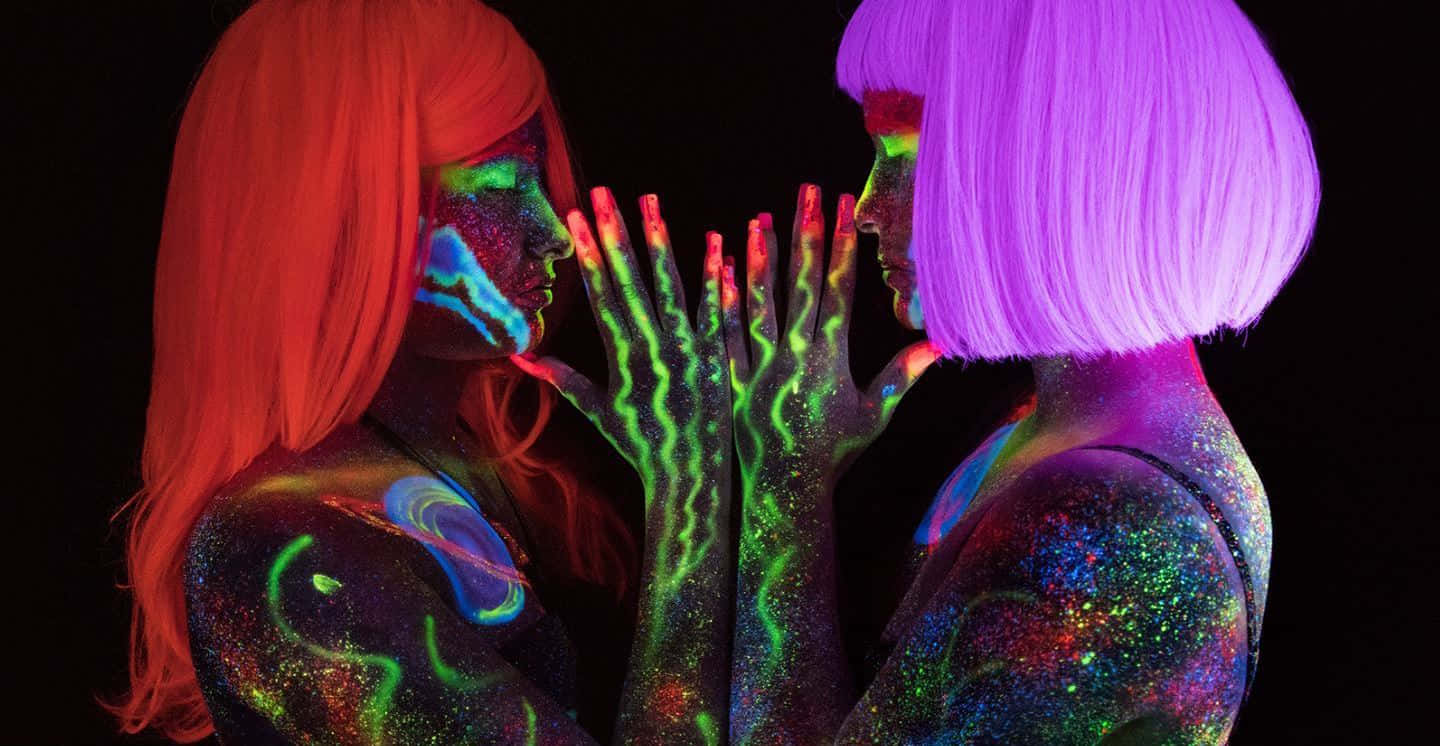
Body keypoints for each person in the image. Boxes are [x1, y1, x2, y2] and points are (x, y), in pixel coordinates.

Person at [105, 1, 730, 743]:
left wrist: (771, 483)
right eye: (501, 186)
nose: (554, 232)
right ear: (341, 214)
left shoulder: (507, 466)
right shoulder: (279, 550)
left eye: (538, 181)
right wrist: (693, 492)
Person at [725, 0, 1318, 743]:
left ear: (1060, 163)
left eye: (910, 156)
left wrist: (773, 483)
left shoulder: (1110, 519)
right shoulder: (1050, 427)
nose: (869, 206)